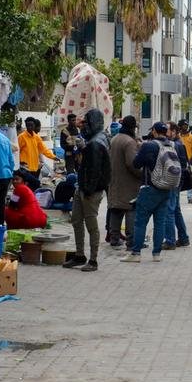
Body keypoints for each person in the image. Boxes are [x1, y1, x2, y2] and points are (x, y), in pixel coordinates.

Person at [63, 109, 110, 272]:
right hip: (82, 186)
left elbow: (96, 169)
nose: (83, 126)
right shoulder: (95, 140)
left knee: (91, 224)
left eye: (86, 123)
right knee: (76, 220)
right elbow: (90, 161)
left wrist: (89, 189)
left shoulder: (97, 142)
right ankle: (79, 255)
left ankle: (93, 259)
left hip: (90, 189)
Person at [125, 122, 176, 263]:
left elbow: (136, 163)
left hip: (149, 188)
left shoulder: (149, 145)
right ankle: (156, 254)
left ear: (154, 131)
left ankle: (136, 253)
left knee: (140, 222)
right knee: (160, 222)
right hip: (166, 188)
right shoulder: (171, 145)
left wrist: (141, 149)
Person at [107, 116, 142, 249]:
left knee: (116, 209)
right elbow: (132, 163)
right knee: (130, 209)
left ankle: (114, 238)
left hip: (114, 179)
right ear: (133, 127)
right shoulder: (129, 142)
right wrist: (142, 174)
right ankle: (131, 241)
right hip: (128, 182)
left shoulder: (115, 139)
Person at [162, 122, 190, 250]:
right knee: (176, 209)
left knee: (169, 210)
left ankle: (170, 240)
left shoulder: (175, 145)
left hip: (173, 180)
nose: (165, 133)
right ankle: (183, 238)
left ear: (173, 131)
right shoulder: (179, 144)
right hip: (178, 181)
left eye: (167, 130)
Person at [178, 120, 192, 204]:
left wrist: (191, 160)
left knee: (189, 178)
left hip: (188, 161)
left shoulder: (191, 137)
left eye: (186, 125)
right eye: (184, 125)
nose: (186, 127)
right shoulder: (178, 137)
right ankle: (176, 195)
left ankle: (190, 197)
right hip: (178, 160)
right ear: (180, 126)